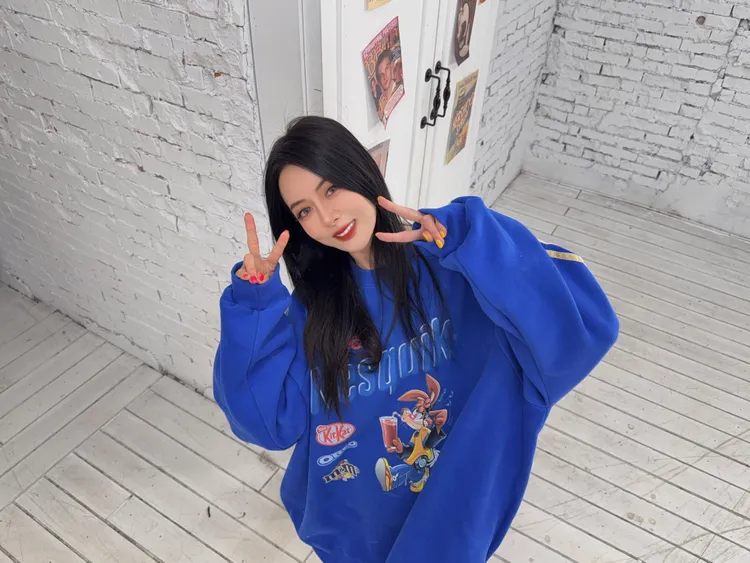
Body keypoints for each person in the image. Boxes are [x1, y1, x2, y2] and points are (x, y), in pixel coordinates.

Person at [213, 116, 619, 562]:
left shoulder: (456, 272)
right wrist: (253, 304)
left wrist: (471, 236)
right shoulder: (313, 310)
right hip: (350, 534)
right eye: (304, 210)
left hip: (447, 526)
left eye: (331, 189)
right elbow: (266, 424)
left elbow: (580, 329)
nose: (327, 217)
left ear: (361, 172)